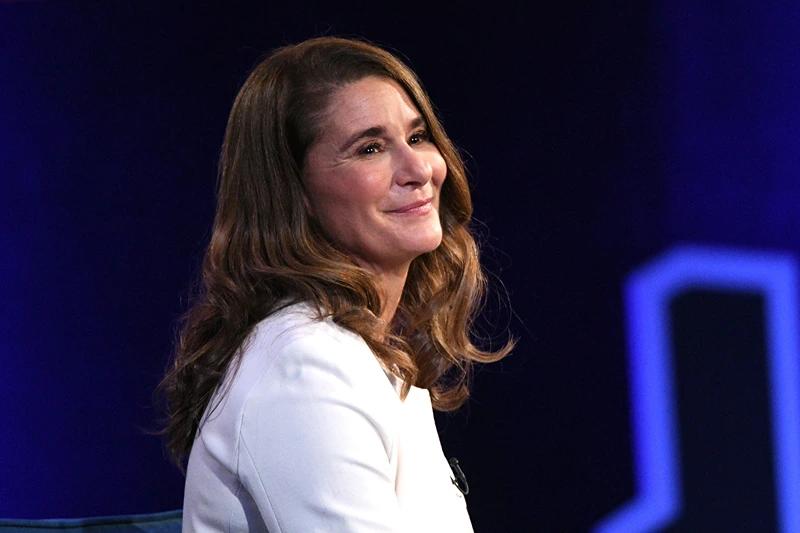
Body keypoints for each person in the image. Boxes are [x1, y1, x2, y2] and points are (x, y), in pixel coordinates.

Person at [157, 36, 513, 533]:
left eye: (416, 137)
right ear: (294, 192)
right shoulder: (306, 365)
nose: (419, 171)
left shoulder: (373, 351)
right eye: (369, 148)